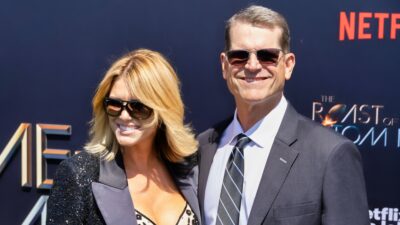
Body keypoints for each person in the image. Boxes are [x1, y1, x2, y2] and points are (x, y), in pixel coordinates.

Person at [197, 5, 369, 225]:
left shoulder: (329, 154)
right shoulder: (204, 148)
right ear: (224, 65)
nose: (252, 65)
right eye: (239, 56)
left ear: (288, 65)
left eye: (267, 56)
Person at [47, 49, 201, 225]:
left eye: (138, 107)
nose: (124, 116)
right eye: (114, 104)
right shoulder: (79, 176)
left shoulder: (190, 168)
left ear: (163, 110)